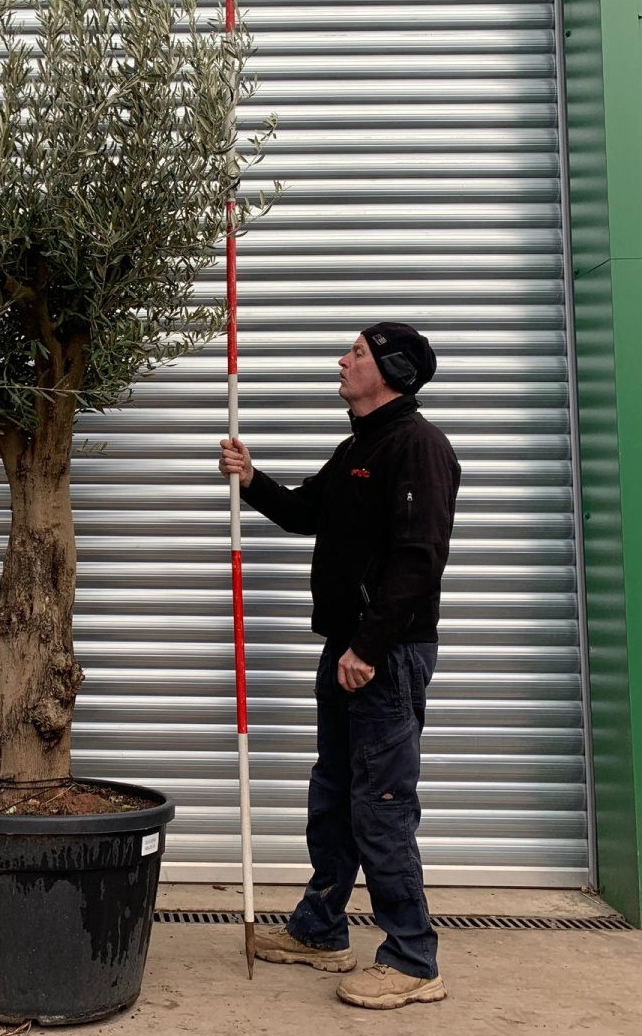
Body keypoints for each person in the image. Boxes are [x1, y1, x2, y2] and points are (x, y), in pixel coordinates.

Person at [218, 322, 460, 1011]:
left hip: (384, 654)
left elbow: (420, 561)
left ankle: (413, 960)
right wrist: (252, 478)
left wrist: (371, 648)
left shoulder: (418, 448)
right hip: (347, 650)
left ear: (390, 370)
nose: (342, 361)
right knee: (334, 797)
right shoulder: (359, 446)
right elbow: (305, 513)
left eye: (356, 353)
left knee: (381, 806)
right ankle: (321, 930)